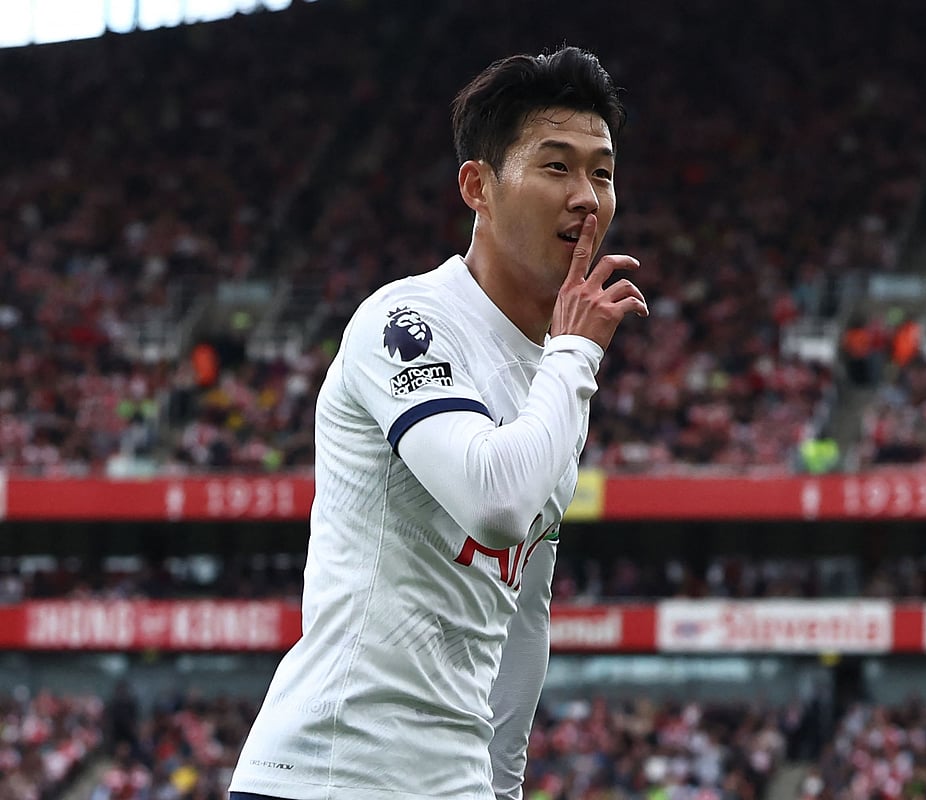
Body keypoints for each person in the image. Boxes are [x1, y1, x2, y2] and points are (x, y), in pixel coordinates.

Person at [228, 45, 647, 800]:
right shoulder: (407, 320)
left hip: (450, 785)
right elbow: (494, 504)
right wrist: (578, 352)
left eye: (603, 172)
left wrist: (504, 786)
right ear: (477, 186)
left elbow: (523, 614)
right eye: (556, 167)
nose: (587, 196)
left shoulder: (554, 377)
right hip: (329, 776)